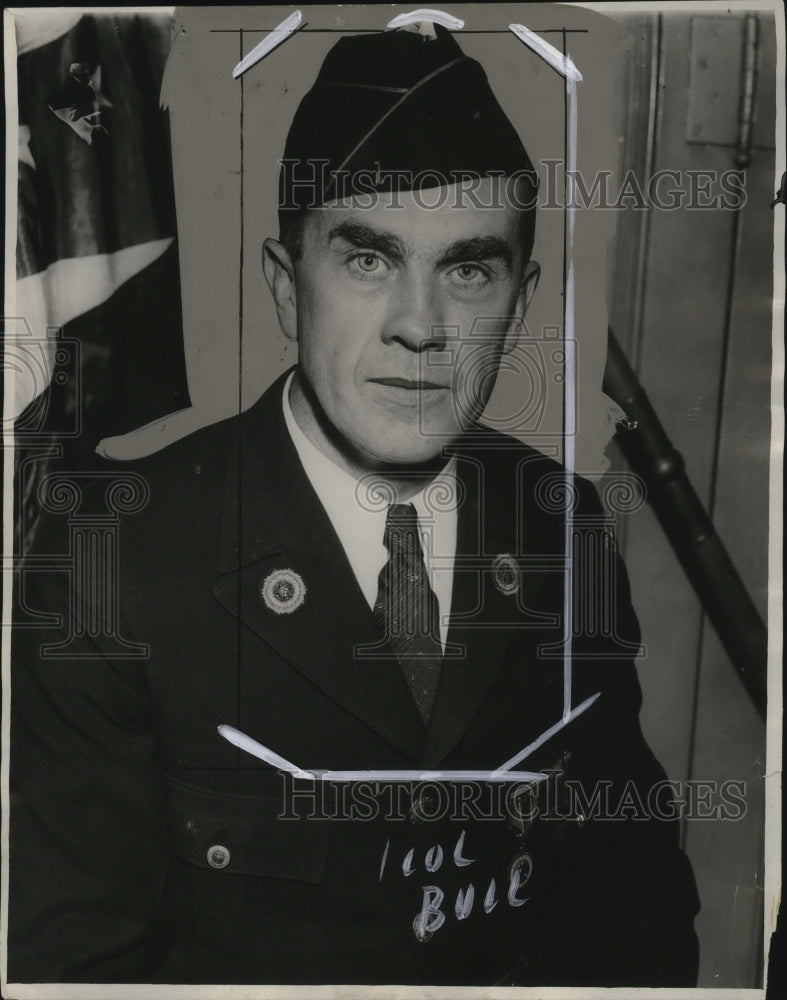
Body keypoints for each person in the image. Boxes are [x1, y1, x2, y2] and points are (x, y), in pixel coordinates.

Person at [9, 23, 700, 987]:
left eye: (468, 269)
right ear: (288, 288)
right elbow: (72, 964)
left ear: (520, 297)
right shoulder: (110, 561)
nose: (421, 327)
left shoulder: (562, 525)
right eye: (368, 259)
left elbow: (633, 911)